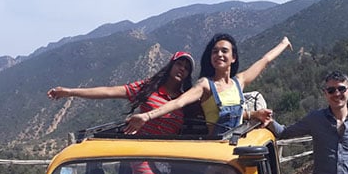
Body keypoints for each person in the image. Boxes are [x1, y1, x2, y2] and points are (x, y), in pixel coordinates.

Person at [47, 51, 195, 174]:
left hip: (166, 162)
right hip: (143, 155)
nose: (182, 69)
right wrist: (69, 92)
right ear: (170, 65)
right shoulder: (149, 88)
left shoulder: (184, 99)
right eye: (179, 64)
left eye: (186, 68)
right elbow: (109, 91)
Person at [125, 35, 292, 137]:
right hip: (216, 150)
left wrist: (283, 44)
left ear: (233, 58)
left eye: (224, 51)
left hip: (238, 148)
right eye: (215, 51)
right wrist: (147, 116)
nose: (219, 54)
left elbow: (265, 60)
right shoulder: (205, 85)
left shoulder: (239, 82)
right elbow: (179, 102)